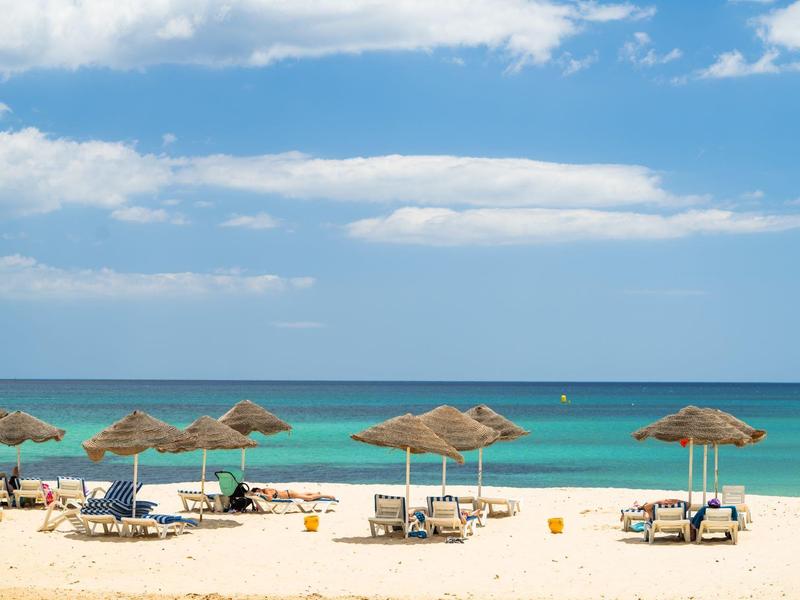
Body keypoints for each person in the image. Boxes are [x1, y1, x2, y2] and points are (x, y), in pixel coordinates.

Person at [251, 487, 336, 502]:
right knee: (303, 494)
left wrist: (260, 495)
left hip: (290, 494)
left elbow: (269, 498)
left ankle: (327, 496)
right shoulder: (264, 491)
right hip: (288, 493)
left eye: (257, 492)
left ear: (258, 489)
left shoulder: (266, 491)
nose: (258, 494)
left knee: (308, 499)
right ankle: (316, 493)